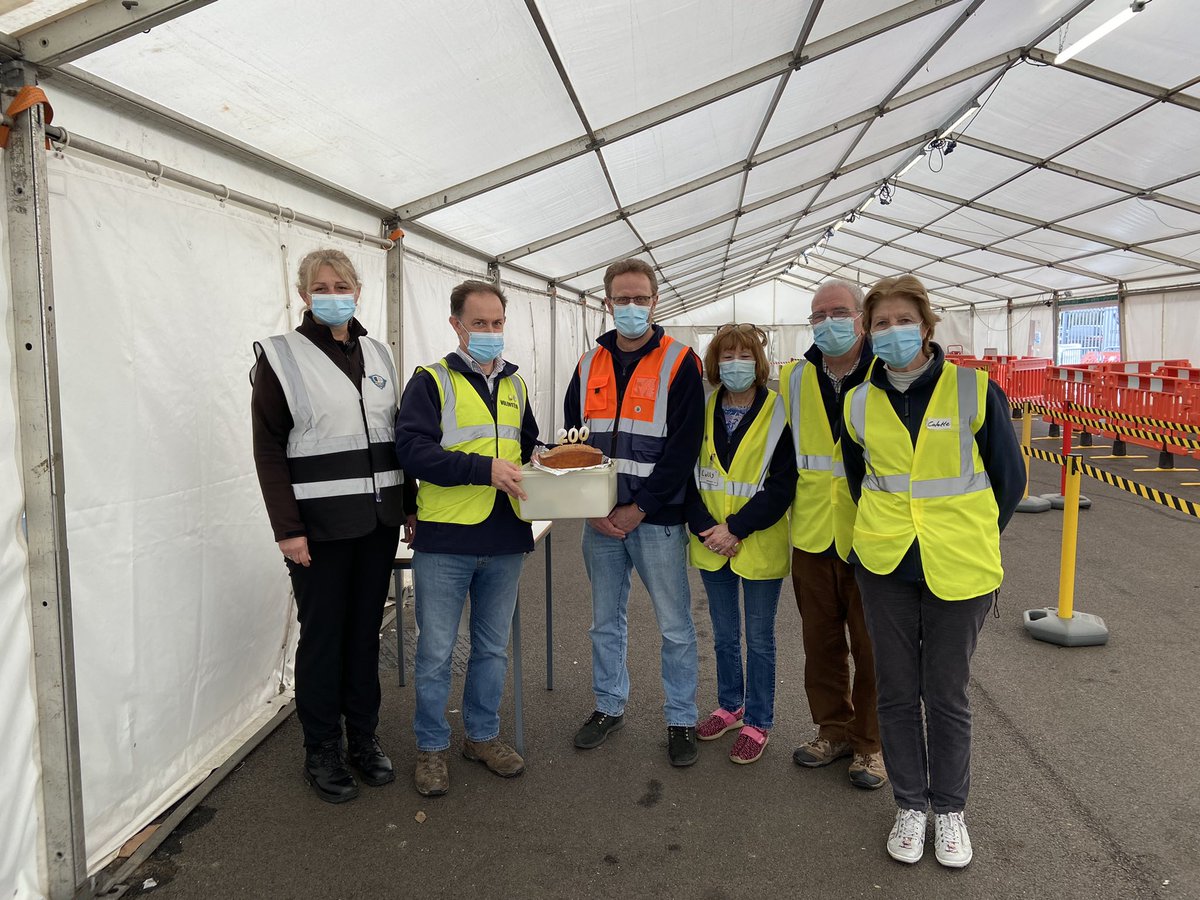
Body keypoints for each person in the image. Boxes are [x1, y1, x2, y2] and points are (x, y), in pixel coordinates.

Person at [840, 274, 1024, 868]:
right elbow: (858, 478)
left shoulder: (974, 390)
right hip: (885, 564)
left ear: (926, 324)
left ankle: (949, 811)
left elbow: (1008, 478)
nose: (893, 331)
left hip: (960, 566)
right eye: (881, 323)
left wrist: (971, 536)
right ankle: (909, 804)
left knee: (946, 694)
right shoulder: (859, 400)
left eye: (903, 320)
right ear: (868, 333)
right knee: (896, 691)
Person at [251, 248, 411, 804]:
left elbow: (395, 436)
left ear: (358, 290)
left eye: (342, 283)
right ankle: (321, 747)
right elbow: (269, 449)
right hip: (316, 529)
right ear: (304, 294)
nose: (333, 292)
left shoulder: (378, 353)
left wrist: (408, 503)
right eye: (321, 285)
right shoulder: (281, 357)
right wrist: (286, 529)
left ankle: (363, 738)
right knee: (324, 637)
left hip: (377, 521)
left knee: (365, 633)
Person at [395, 279, 540, 797]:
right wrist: (483, 469)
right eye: (479, 323)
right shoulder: (430, 382)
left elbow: (527, 447)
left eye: (497, 323)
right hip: (446, 540)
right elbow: (411, 451)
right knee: (435, 651)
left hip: (505, 536)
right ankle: (431, 747)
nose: (490, 332)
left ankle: (481, 736)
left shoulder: (517, 385)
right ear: (456, 325)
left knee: (491, 649)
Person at [564, 258, 705, 766]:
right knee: (605, 621)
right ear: (607, 302)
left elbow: (684, 446)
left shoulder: (680, 361)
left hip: (658, 519)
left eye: (640, 298)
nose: (631, 307)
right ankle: (608, 705)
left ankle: (681, 718)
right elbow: (572, 445)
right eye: (621, 299)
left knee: (674, 625)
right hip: (600, 521)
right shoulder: (587, 365)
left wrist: (639, 508)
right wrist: (592, 507)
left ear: (655, 301)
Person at [782, 280, 886, 790]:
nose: (828, 323)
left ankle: (871, 744)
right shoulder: (796, 377)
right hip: (812, 534)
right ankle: (833, 729)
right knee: (820, 644)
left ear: (861, 318)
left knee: (873, 647)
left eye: (839, 312)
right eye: (818, 315)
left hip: (873, 536)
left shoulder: (886, 371)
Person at [686, 323, 795, 764]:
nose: (735, 364)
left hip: (757, 539)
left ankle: (759, 720)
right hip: (711, 541)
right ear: (715, 363)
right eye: (727, 356)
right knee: (725, 635)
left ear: (759, 362)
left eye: (744, 356)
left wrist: (736, 528)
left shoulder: (779, 411)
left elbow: (784, 483)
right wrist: (706, 527)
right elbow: (685, 473)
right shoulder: (702, 407)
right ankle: (730, 706)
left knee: (760, 638)